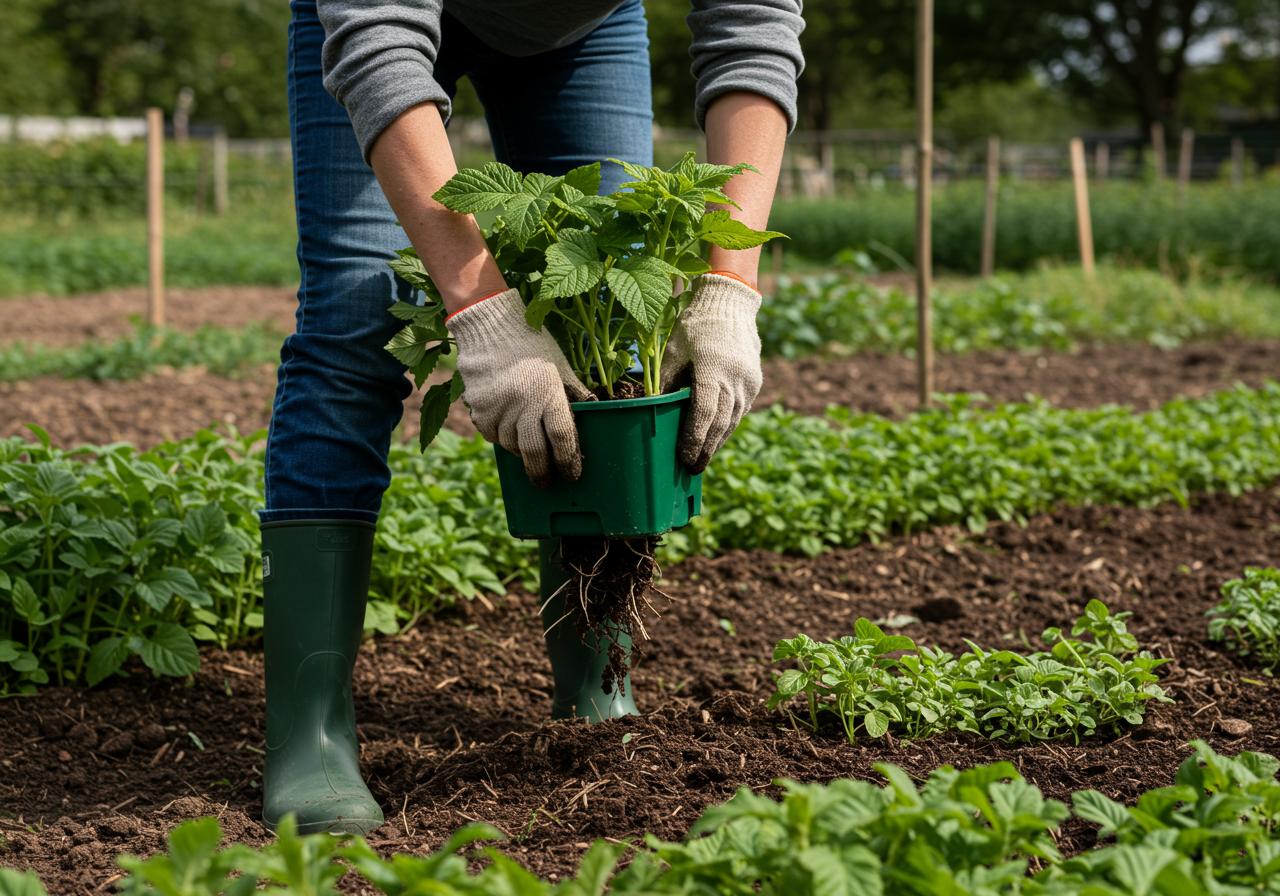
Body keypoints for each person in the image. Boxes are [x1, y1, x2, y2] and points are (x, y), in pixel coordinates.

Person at [259, 0, 804, 836]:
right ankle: (311, 734)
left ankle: (597, 688)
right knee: (357, 317)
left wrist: (730, 285)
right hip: (384, 25)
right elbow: (377, 37)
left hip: (581, 29)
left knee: (607, 315)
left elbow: (752, 24)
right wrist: (482, 312)